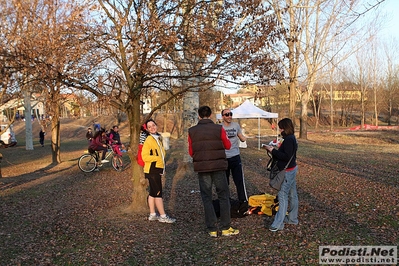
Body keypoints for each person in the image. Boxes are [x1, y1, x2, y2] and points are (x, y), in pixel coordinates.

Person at [188, 106, 239, 238]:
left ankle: (212, 228)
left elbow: (191, 152)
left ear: (199, 116)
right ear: (210, 115)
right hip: (218, 166)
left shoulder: (192, 131)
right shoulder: (219, 129)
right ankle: (226, 227)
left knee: (206, 197)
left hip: (203, 168)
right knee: (223, 195)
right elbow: (227, 145)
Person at [263, 118, 298, 232]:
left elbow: (286, 156)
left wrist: (272, 150)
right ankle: (292, 219)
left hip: (286, 171)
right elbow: (287, 154)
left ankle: (278, 224)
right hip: (291, 169)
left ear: (285, 128)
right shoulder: (291, 138)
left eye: (281, 128)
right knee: (292, 194)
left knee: (282, 196)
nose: (279, 130)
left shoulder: (288, 139)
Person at [142, 119, 176, 223]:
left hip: (157, 169)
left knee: (152, 192)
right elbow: (145, 156)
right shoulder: (149, 140)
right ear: (147, 130)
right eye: (149, 127)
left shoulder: (158, 138)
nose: (152, 127)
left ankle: (152, 214)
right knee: (158, 193)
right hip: (152, 170)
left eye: (153, 125)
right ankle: (163, 216)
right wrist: (156, 158)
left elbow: (162, 154)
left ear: (156, 125)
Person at [221, 109, 248, 203]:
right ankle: (225, 201)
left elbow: (241, 137)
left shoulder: (236, 125)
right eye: (227, 114)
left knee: (239, 180)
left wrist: (244, 138)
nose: (229, 116)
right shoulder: (219, 127)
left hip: (235, 156)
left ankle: (243, 200)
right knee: (225, 181)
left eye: (230, 114)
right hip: (224, 158)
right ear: (223, 117)